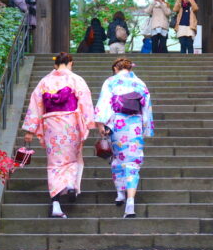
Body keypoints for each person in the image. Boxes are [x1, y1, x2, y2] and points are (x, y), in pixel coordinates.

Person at [22, 52, 95, 218]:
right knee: (72, 157)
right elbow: (85, 102)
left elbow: (36, 105)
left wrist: (30, 131)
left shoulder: (44, 81)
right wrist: (90, 123)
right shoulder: (76, 80)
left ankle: (56, 204)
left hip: (51, 125)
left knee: (54, 163)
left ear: (56, 65)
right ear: (70, 63)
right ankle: (70, 184)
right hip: (71, 123)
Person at [94, 58, 154, 218]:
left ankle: (120, 192)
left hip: (117, 124)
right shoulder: (140, 83)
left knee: (118, 157)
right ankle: (130, 201)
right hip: (135, 124)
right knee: (133, 160)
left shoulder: (110, 81)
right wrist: (146, 127)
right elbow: (146, 107)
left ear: (115, 68)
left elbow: (104, 103)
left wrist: (101, 124)